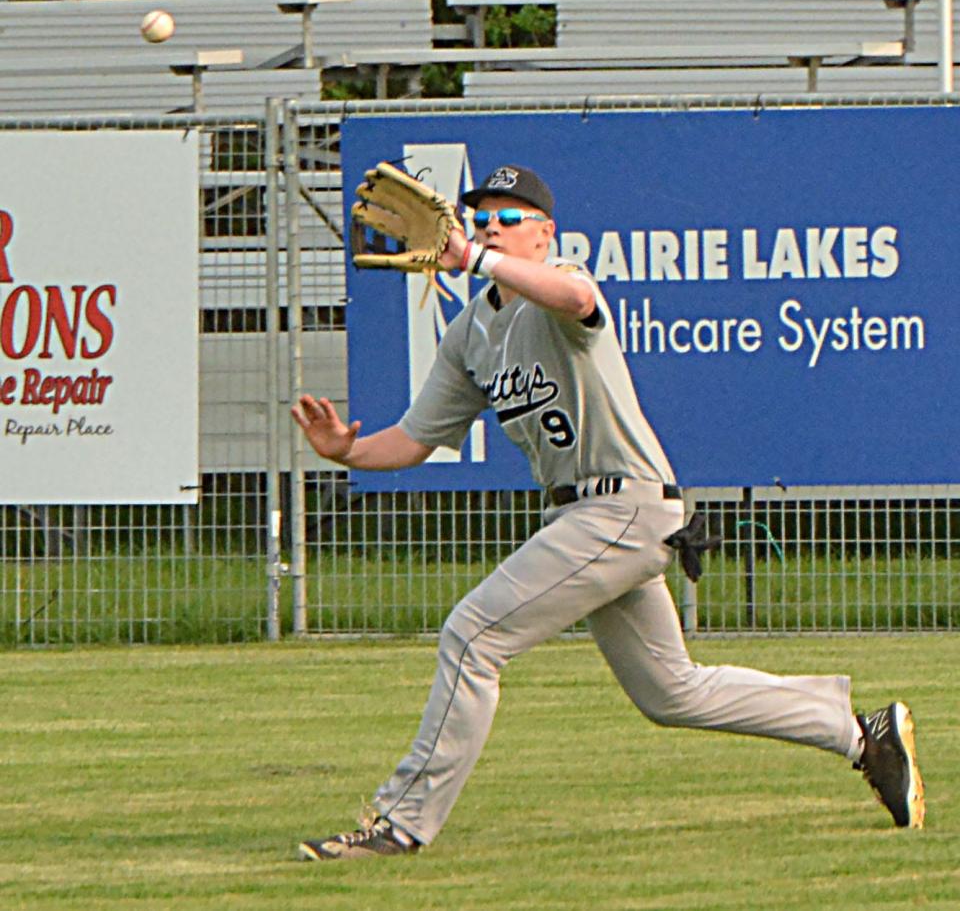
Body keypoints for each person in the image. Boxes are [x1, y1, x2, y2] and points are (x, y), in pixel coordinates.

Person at [292, 164, 924, 860]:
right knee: (672, 692)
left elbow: (576, 296)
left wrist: (475, 258)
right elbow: (415, 440)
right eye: (481, 218)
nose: (490, 227)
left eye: (509, 218)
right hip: (588, 519)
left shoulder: (559, 289)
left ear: (545, 232)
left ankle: (401, 823)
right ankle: (861, 734)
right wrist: (345, 453)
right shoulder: (471, 331)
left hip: (623, 505)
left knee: (473, 637)